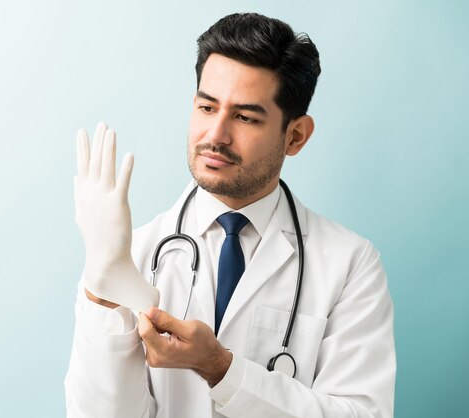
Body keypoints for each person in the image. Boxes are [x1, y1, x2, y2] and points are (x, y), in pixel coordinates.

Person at [65, 12, 395, 418]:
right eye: (207, 107)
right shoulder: (130, 253)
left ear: (295, 136)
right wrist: (101, 288)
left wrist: (222, 369)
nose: (215, 136)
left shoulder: (349, 264)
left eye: (244, 117)